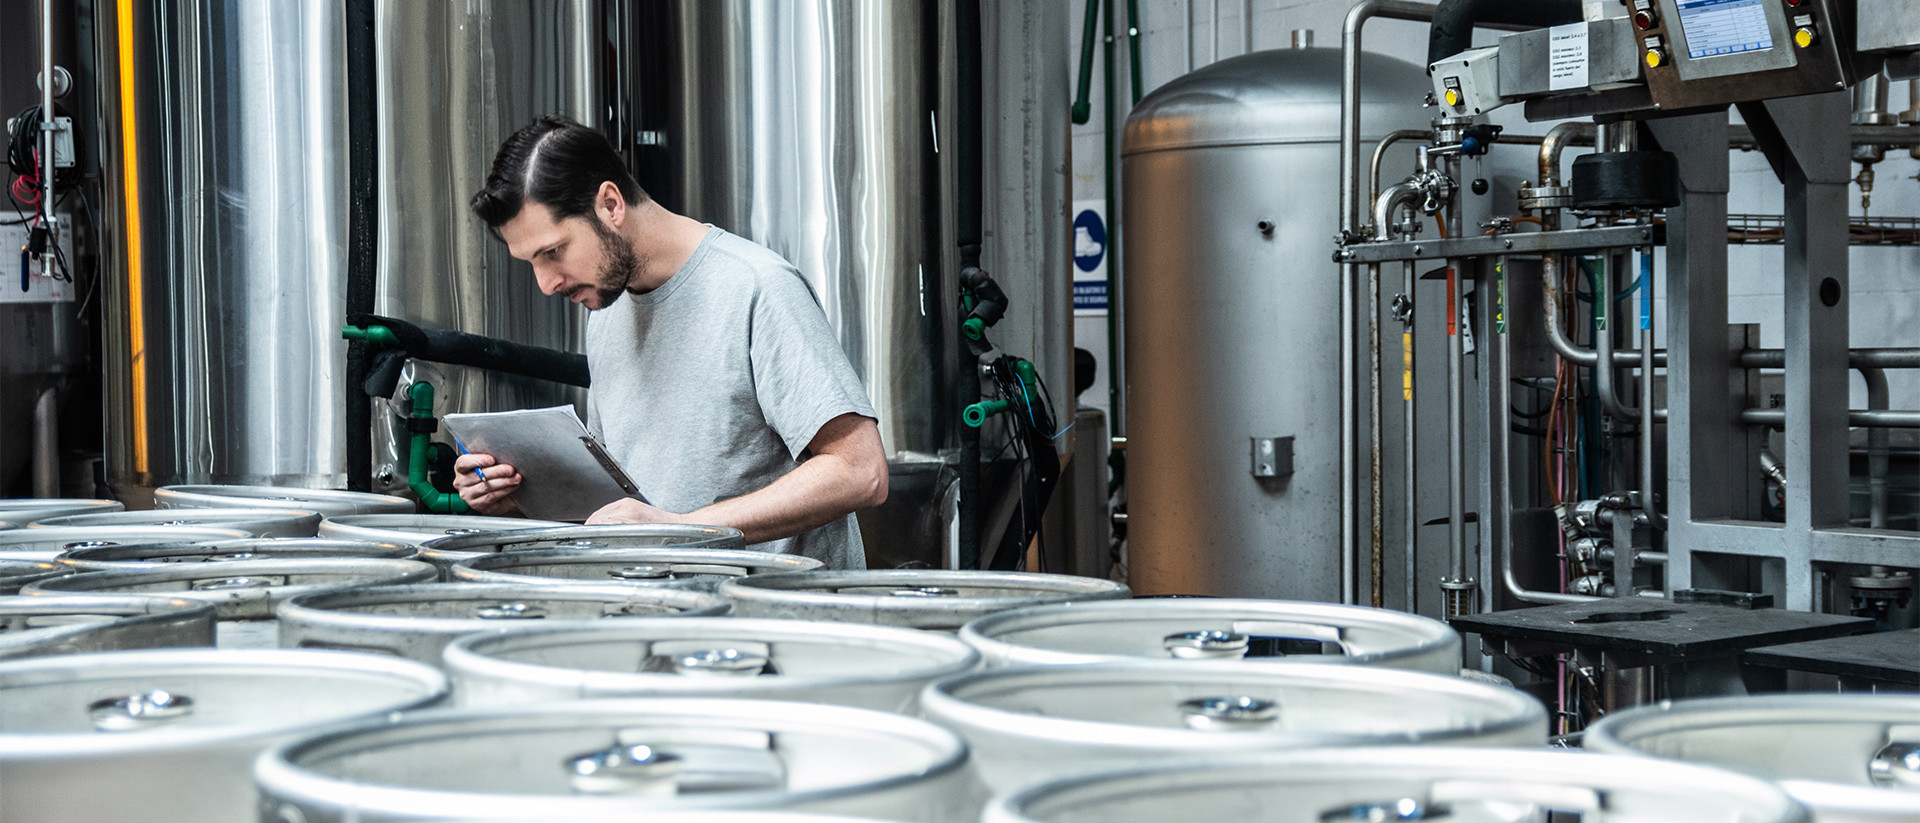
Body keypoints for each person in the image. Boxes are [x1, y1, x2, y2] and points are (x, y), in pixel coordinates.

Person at [452, 115, 887, 569]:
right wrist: (514, 493)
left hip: (771, 623)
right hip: (662, 617)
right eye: (531, 263)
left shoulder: (757, 288)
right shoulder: (606, 307)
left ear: (610, 204)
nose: (545, 284)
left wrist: (681, 530)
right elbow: (622, 507)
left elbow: (860, 471)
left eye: (553, 251)